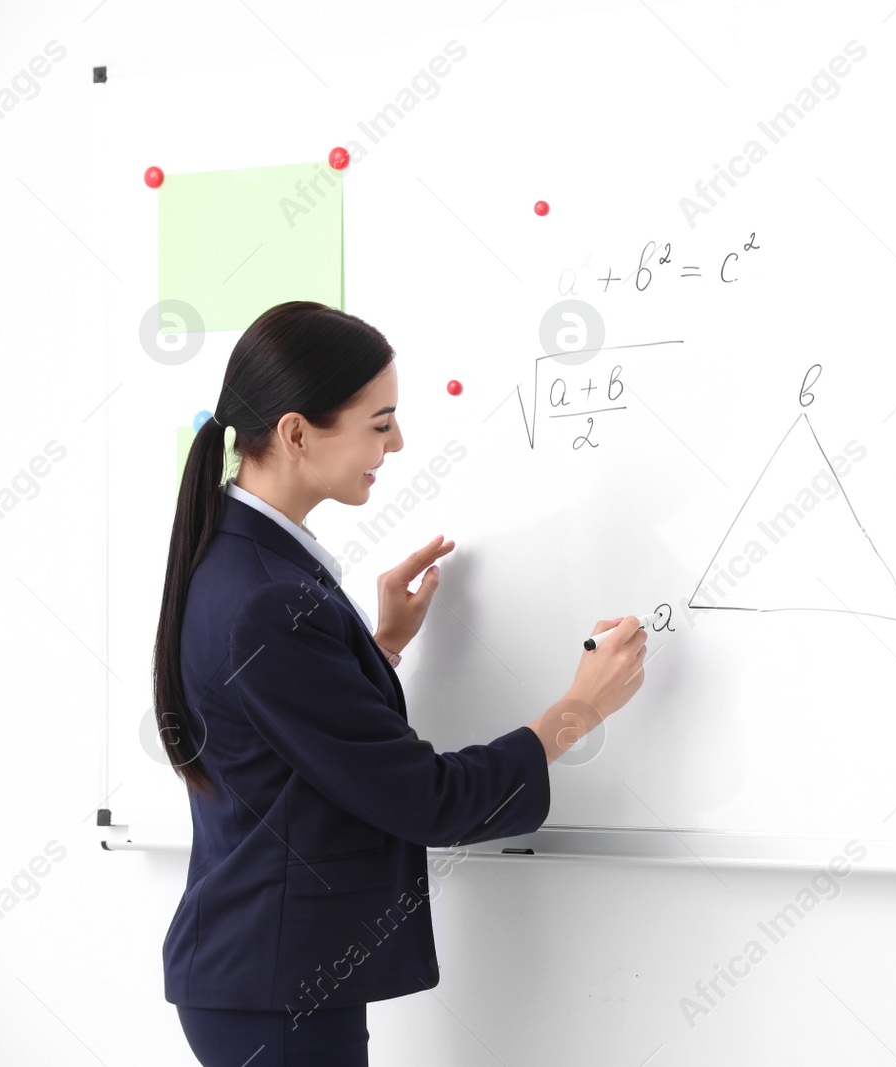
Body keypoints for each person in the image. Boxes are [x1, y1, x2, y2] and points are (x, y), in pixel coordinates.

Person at [151, 300, 647, 1066]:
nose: (399, 442)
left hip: (259, 980)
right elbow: (424, 799)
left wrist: (375, 646)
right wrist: (576, 711)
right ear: (295, 432)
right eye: (380, 423)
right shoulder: (267, 598)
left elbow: (280, 731)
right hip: (275, 992)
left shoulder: (238, 557)